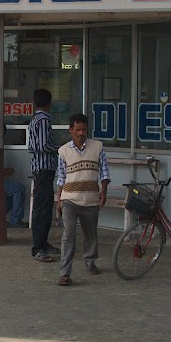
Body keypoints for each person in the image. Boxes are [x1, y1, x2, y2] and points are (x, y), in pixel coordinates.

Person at [56, 114, 111, 286]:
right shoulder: (63, 151)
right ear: (70, 130)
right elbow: (61, 177)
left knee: (90, 234)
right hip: (69, 201)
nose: (81, 133)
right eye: (77, 129)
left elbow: (104, 172)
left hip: (91, 199)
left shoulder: (97, 147)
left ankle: (90, 261)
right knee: (68, 235)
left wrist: (104, 190)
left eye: (84, 130)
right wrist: (59, 199)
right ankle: (65, 273)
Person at [27, 88, 59, 262]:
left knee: (46, 207)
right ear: (49, 103)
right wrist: (59, 149)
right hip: (43, 168)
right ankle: (38, 247)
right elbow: (42, 146)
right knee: (41, 209)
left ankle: (43, 243)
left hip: (42, 169)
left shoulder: (35, 119)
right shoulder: (44, 120)